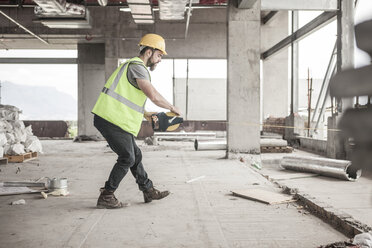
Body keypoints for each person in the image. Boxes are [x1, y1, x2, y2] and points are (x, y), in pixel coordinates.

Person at [92, 33, 181, 209]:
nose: (160, 59)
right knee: (127, 157)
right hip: (111, 119)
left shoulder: (133, 67)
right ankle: (107, 195)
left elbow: (128, 99)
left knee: (136, 155)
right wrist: (171, 107)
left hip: (115, 119)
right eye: (159, 55)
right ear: (149, 51)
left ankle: (148, 190)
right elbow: (153, 95)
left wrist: (146, 114)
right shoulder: (137, 67)